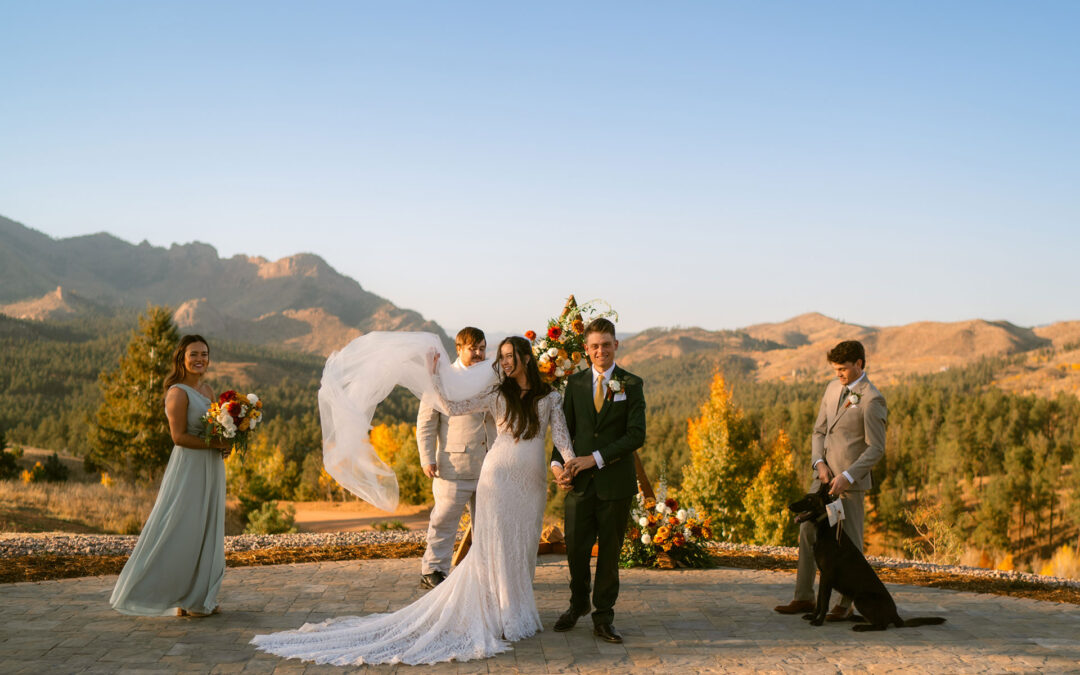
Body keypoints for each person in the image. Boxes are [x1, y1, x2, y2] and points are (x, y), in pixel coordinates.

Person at [251, 335, 576, 666]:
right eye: (502, 356)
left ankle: (519, 609)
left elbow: (562, 438)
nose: (505, 362)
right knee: (495, 544)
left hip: (532, 482)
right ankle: (500, 615)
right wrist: (433, 375)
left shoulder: (550, 396)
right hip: (498, 477)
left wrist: (568, 467)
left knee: (522, 544)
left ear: (527, 357)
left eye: (511, 356)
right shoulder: (496, 392)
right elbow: (451, 407)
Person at [110, 334, 231, 617]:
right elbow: (179, 437)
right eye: (194, 354)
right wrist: (216, 444)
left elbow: (215, 431)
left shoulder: (209, 391)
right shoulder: (177, 392)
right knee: (182, 528)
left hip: (212, 467)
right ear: (182, 358)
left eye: (204, 353)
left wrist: (226, 445)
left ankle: (198, 597)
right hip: (189, 467)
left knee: (206, 528)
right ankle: (162, 593)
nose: (200, 359)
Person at [774, 340, 887, 620]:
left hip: (849, 485)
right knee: (808, 531)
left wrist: (847, 477)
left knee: (850, 543)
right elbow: (819, 431)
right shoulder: (832, 388)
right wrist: (819, 462)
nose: (838, 374)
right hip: (822, 480)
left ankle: (845, 605)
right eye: (835, 369)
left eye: (843, 369)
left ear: (859, 364)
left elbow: (876, 448)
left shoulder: (872, 399)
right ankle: (803, 598)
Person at [550, 318, 646, 644]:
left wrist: (595, 458)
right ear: (587, 350)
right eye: (594, 346)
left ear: (616, 345)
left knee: (609, 553)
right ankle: (578, 603)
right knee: (576, 551)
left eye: (606, 344)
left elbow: (636, 435)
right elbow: (564, 432)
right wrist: (556, 465)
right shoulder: (575, 385)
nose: (600, 350)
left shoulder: (631, 384)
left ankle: (603, 617)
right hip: (578, 484)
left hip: (615, 485)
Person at [415, 327, 496, 589]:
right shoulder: (441, 377)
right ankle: (433, 570)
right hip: (453, 465)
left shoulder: (492, 376)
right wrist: (427, 458)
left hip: (490, 464)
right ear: (459, 348)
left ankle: (483, 570)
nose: (479, 353)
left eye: (482, 348)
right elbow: (426, 422)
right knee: (444, 520)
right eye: (473, 348)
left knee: (486, 524)